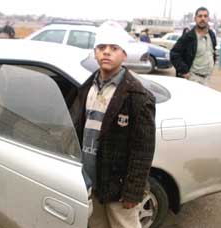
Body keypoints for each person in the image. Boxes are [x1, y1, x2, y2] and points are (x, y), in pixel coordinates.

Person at [71, 21, 156, 228]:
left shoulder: (137, 96)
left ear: (124, 54)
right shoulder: (86, 89)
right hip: (92, 182)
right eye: (101, 48)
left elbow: (143, 150)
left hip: (118, 188)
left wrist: (133, 192)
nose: (106, 53)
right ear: (95, 52)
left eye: (114, 48)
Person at [170, 7, 217, 85]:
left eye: (205, 16)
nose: (203, 18)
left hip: (207, 78)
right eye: (200, 16)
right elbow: (174, 54)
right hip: (192, 78)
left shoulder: (211, 35)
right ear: (195, 19)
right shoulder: (188, 37)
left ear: (208, 19)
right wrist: (184, 71)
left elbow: (212, 52)